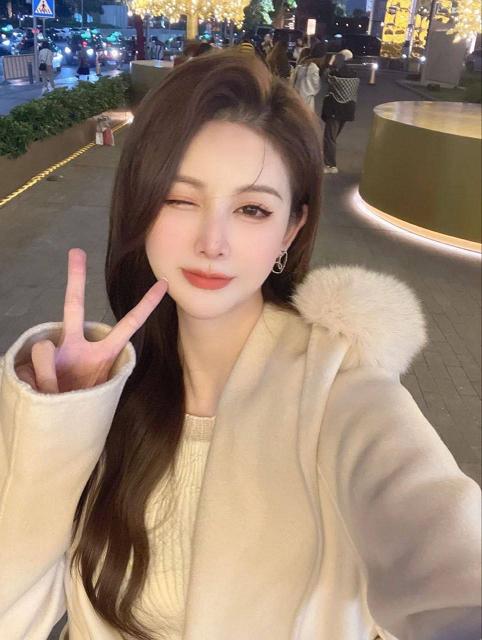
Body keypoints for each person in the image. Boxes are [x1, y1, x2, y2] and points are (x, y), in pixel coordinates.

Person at [1, 51, 480, 640]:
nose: (213, 242)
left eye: (252, 209)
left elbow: (444, 552)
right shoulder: (105, 389)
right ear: (140, 208)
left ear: (291, 229)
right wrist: (58, 429)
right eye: (180, 199)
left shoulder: (343, 394)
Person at [321, 48, 360, 174]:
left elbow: (325, 77)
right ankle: (327, 154)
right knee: (333, 136)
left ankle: (330, 165)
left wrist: (330, 64)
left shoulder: (335, 73)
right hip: (348, 109)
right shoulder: (354, 73)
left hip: (335, 108)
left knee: (330, 137)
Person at [291, 43, 328, 111]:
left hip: (297, 96)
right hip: (307, 100)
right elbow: (316, 86)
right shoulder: (314, 68)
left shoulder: (303, 63)